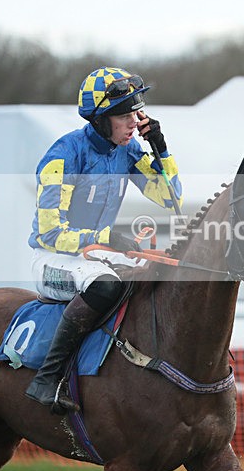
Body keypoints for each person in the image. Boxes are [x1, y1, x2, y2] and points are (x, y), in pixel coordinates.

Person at [24, 66, 182, 413]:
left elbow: (172, 199)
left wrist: (160, 148)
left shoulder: (128, 151)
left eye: (135, 113)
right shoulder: (63, 156)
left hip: (96, 256)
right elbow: (50, 233)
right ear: (99, 119)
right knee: (106, 286)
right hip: (52, 258)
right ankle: (47, 379)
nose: (133, 122)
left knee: (153, 275)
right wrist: (106, 237)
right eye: (124, 115)